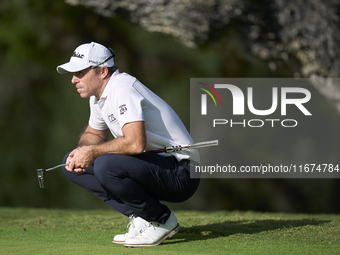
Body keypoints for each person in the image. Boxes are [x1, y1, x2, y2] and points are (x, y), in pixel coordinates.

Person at [56, 42, 200, 247]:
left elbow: (135, 144)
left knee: (106, 165)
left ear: (102, 71)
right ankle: (143, 217)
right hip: (155, 166)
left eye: (79, 72)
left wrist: (92, 152)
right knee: (71, 164)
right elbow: (93, 133)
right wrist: (81, 152)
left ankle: (160, 220)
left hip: (182, 172)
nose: (73, 79)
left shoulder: (122, 88)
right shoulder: (98, 97)